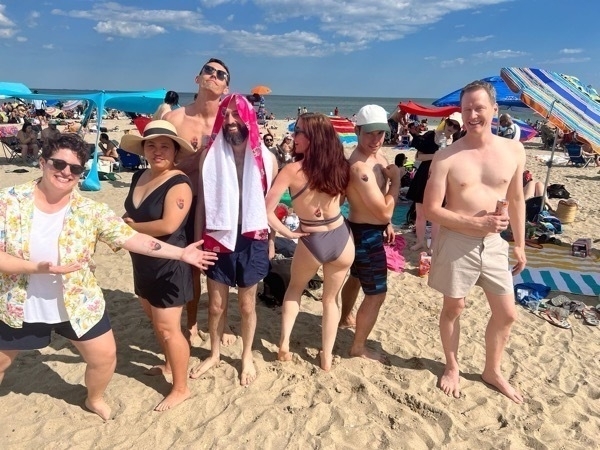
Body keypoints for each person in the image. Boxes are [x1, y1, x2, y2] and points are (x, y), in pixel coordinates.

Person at [0, 133, 217, 420]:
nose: (66, 172)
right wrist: (37, 268)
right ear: (42, 162)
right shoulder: (8, 202)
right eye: (58, 164)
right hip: (18, 300)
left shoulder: (90, 211)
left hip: (77, 301)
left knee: (104, 359)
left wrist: (180, 254)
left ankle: (94, 398)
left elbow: (131, 237)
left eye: (75, 168)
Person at [423, 80, 526, 403]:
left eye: (479, 107)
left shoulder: (514, 150)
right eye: (467, 109)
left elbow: (518, 199)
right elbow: (430, 209)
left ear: (494, 110)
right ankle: (452, 365)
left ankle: (491, 370)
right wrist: (474, 222)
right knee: (455, 306)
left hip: (495, 243)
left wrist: (520, 243)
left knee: (507, 313)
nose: (472, 114)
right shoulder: (447, 157)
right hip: (456, 241)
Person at [189, 94, 277, 386]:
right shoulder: (210, 155)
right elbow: (202, 201)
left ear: (248, 119)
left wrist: (272, 239)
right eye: (225, 115)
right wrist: (198, 240)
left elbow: (269, 205)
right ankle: (214, 354)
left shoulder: (266, 159)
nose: (229, 121)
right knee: (215, 306)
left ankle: (246, 356)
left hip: (253, 237)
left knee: (248, 306)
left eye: (235, 115)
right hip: (217, 236)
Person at [120, 120, 200, 411]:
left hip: (170, 263)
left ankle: (181, 388)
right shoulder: (139, 176)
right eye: (151, 145)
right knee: (155, 321)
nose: (157, 151)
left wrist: (130, 228)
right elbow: (132, 214)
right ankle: (168, 364)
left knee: (169, 329)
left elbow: (169, 224)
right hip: (142, 261)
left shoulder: (179, 183)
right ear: (143, 149)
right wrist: (128, 225)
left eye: (165, 145)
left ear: (175, 151)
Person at [265, 113, 353, 371]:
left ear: (314, 137)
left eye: (300, 132)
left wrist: (288, 233)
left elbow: (266, 210)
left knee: (294, 290)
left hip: (311, 238)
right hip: (341, 237)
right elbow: (344, 202)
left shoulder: (292, 170)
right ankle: (326, 357)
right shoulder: (341, 167)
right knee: (331, 300)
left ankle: (284, 344)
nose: (294, 137)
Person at [164, 58, 233, 346]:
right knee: (190, 263)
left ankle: (224, 323)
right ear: (198, 78)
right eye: (209, 71)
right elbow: (160, 163)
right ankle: (191, 322)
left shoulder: (231, 120)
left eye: (221, 74)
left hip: (220, 201)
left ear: (226, 85)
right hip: (185, 199)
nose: (214, 76)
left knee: (223, 261)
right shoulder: (175, 119)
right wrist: (192, 157)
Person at [339, 105, 401, 361]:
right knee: (376, 293)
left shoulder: (379, 157)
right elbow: (385, 211)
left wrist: (386, 224)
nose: (376, 140)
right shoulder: (359, 168)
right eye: (370, 134)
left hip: (368, 229)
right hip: (365, 233)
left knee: (355, 277)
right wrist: (397, 182)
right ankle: (358, 347)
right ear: (357, 131)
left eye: (381, 133)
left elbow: (383, 213)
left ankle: (344, 318)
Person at [406, 112, 463, 252]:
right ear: (446, 121)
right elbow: (418, 157)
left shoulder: (456, 143)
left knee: (437, 216)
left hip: (442, 179)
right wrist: (437, 155)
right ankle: (420, 241)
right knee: (420, 213)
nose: (452, 127)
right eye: (450, 123)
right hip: (424, 176)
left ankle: (434, 245)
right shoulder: (431, 136)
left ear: (458, 129)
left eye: (456, 126)